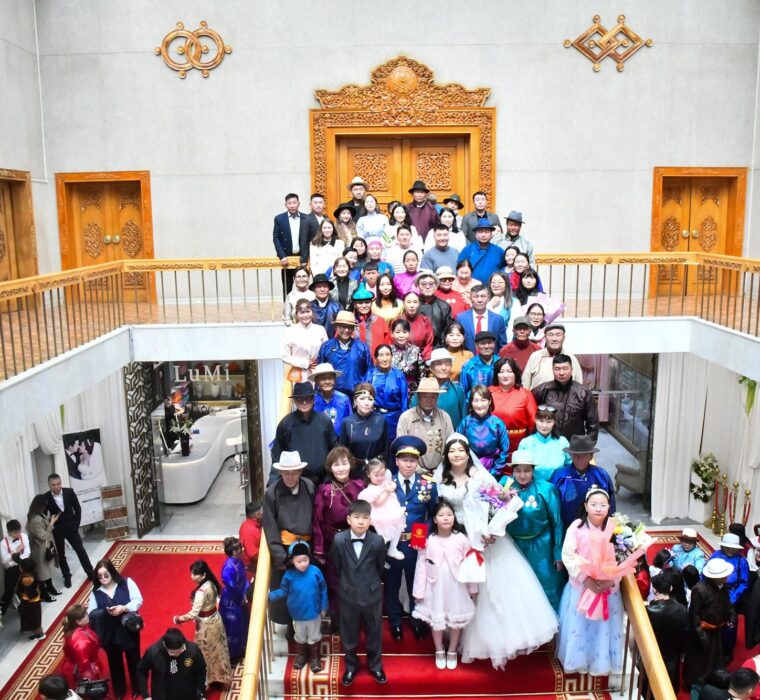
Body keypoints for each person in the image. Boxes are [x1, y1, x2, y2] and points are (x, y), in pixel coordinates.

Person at [436, 433, 558, 669]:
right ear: (446, 455)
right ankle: (457, 637)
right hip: (457, 537)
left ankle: (497, 639)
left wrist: (494, 529)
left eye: (461, 450)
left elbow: (499, 502)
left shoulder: (479, 475)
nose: (457, 454)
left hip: (484, 537)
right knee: (462, 587)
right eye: (452, 451)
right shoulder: (441, 479)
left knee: (493, 587)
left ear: (468, 453)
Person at [556, 487, 632, 677]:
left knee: (603, 629)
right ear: (585, 506)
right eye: (594, 504)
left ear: (609, 507)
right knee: (580, 627)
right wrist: (586, 579)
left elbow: (623, 557)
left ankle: (600, 662)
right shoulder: (576, 527)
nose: (598, 509)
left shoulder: (617, 529)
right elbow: (568, 556)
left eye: (603, 505)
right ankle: (579, 661)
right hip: (581, 587)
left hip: (607, 589)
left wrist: (611, 580)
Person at [382, 436, 438, 641]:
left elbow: (434, 514)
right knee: (392, 584)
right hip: (392, 544)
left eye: (412, 460)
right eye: (404, 460)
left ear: (418, 462)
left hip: (416, 543)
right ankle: (395, 622)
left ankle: (416, 620)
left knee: (417, 583)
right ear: (396, 461)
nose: (408, 464)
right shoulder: (387, 484)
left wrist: (423, 533)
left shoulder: (428, 485)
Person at [412, 499, 477, 670]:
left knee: (456, 618)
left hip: (457, 585)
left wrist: (473, 588)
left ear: (454, 518)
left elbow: (470, 564)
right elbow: (421, 565)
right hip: (435, 586)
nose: (446, 518)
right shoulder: (429, 539)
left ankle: (452, 650)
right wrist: (419, 591)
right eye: (441, 515)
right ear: (435, 519)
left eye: (449, 514)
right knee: (436, 617)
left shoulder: (462, 539)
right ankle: (439, 649)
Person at [330, 499, 388, 686]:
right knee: (348, 632)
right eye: (357, 517)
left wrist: (371, 584)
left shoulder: (377, 541)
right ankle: (351, 666)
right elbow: (336, 565)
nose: (361, 522)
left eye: (365, 518)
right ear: (349, 519)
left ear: (370, 520)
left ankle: (375, 665)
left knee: (374, 631)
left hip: (371, 594)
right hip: (348, 594)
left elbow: (380, 566)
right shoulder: (339, 540)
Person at [506, 451, 565, 610]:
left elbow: (557, 522)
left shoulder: (545, 489)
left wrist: (558, 552)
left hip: (541, 544)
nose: (522, 475)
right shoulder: (506, 486)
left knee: (547, 583)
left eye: (527, 470)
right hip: (514, 545)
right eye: (518, 470)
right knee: (517, 584)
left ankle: (553, 620)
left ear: (533, 470)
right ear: (512, 471)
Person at [262, 451, 315, 625]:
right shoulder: (272, 492)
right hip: (285, 549)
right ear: (280, 472)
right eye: (286, 473)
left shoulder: (309, 486)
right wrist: (281, 557)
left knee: (307, 588)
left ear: (300, 471)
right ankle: (289, 628)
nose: (290, 477)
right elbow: (270, 526)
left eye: (294, 473)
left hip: (307, 546)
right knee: (286, 589)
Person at [311, 446, 363, 621]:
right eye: (336, 464)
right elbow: (317, 520)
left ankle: (355, 618)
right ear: (330, 467)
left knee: (355, 580)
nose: (341, 468)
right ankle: (337, 620)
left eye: (344, 463)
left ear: (351, 464)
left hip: (356, 539)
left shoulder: (360, 486)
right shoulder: (325, 490)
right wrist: (319, 549)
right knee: (335, 582)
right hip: (332, 542)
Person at [269, 540, 327, 673]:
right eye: (299, 561)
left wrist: (324, 606)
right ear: (292, 561)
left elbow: (323, 589)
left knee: (314, 635)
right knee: (300, 636)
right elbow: (283, 591)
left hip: (314, 612)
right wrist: (270, 596)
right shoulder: (289, 575)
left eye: (305, 560)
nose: (303, 564)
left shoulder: (315, 571)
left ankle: (315, 658)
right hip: (297, 613)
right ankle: (301, 656)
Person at [89, 558, 144, 699]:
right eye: (99, 576)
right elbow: (91, 613)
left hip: (128, 629)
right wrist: (104, 613)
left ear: (112, 572)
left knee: (134, 659)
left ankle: (137, 687)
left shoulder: (126, 583)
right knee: (114, 663)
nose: (103, 578)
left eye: (105, 575)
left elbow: (138, 600)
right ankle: (119, 690)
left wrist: (124, 608)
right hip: (110, 632)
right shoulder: (96, 592)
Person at [173, 560, 231, 687]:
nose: (192, 576)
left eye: (195, 574)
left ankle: (205, 682)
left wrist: (179, 619)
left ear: (203, 575)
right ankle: (219, 677)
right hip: (216, 619)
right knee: (218, 650)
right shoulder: (211, 583)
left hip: (205, 626)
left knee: (204, 654)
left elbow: (194, 613)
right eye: (192, 573)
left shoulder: (201, 592)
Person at [683, 558, 737, 688]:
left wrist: (732, 617)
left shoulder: (723, 587)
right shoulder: (699, 589)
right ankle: (694, 684)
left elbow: (728, 604)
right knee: (698, 661)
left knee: (714, 659)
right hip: (702, 632)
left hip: (717, 631)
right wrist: (701, 636)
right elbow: (694, 614)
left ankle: (712, 681)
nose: (727, 577)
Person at [271, 382, 337, 483]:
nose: (304, 402)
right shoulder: (285, 423)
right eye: (300, 399)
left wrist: (333, 476)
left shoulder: (325, 421)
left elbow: (334, 450)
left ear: (314, 399)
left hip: (323, 479)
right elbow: (277, 454)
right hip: (295, 481)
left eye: (308, 398)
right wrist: (273, 482)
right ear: (294, 401)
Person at [550, 435, 615, 529]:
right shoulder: (560, 475)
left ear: (591, 456)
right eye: (576, 456)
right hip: (565, 526)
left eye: (584, 456)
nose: (580, 460)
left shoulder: (601, 475)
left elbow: (610, 503)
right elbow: (551, 503)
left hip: (595, 527)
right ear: (571, 456)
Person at [532, 354, 599, 444]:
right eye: (557, 369)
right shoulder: (542, 390)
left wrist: (588, 446)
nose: (561, 373)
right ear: (552, 370)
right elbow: (529, 415)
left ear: (572, 369)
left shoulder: (583, 393)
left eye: (565, 368)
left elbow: (593, 424)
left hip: (574, 445)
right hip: (547, 443)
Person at [45, 473, 94, 588]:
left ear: (61, 483)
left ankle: (90, 572)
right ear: (49, 485)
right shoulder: (46, 497)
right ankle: (66, 575)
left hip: (71, 528)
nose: (57, 487)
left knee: (80, 550)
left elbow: (77, 508)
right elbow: (44, 515)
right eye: (53, 485)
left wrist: (76, 524)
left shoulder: (69, 492)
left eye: (58, 484)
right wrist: (50, 523)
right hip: (57, 530)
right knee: (61, 554)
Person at [707, 532, 750, 663]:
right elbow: (706, 574)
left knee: (729, 625)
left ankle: (727, 650)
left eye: (733, 548)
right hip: (714, 592)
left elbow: (744, 583)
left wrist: (732, 598)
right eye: (727, 547)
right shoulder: (716, 555)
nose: (730, 550)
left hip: (732, 595)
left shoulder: (742, 561)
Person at [397, 378, 454, 473]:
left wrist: (441, 469)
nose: (429, 400)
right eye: (425, 396)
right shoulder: (406, 418)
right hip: (413, 472)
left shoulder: (445, 417)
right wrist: (418, 470)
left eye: (433, 396)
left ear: (438, 397)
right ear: (418, 396)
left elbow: (451, 446)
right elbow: (402, 449)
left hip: (440, 472)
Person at [136, 628, 206, 700]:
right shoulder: (154, 652)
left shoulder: (193, 650)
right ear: (165, 646)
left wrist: (200, 693)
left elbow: (201, 671)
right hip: (162, 694)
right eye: (173, 653)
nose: (177, 654)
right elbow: (141, 671)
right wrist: (146, 695)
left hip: (188, 693)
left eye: (181, 650)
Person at [455, 384, 510, 477]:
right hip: (469, 469)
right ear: (471, 403)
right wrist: (467, 469)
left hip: (492, 468)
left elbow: (504, 451)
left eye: (483, 400)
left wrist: (493, 473)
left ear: (489, 401)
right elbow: (456, 445)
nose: (479, 405)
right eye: (476, 400)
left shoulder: (498, 424)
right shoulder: (465, 423)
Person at [279, 298, 327, 403]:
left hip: (317, 372)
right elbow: (284, 355)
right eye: (301, 312)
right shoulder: (290, 331)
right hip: (298, 373)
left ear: (312, 312)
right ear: (296, 315)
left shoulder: (320, 330)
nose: (305, 315)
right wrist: (304, 364)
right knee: (301, 402)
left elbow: (326, 351)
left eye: (308, 311)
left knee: (318, 401)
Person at [647, 573, 689, 693]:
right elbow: (686, 633)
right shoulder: (682, 609)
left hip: (653, 653)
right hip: (673, 654)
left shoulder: (649, 611)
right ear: (670, 588)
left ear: (654, 590)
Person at [358, 458, 407, 560]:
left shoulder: (386, 478)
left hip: (392, 509)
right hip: (379, 513)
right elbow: (379, 502)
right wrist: (387, 490)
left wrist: (392, 485)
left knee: (398, 527)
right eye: (376, 475)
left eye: (382, 474)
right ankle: (380, 557)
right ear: (368, 474)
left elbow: (390, 478)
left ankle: (392, 549)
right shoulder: (371, 490)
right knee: (383, 536)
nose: (380, 478)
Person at [489, 357, 537, 461]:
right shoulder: (489, 393)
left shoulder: (525, 394)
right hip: (492, 443)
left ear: (515, 374)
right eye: (501, 371)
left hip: (519, 445)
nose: (505, 375)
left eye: (509, 371)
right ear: (496, 375)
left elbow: (533, 424)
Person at [317, 310, 372, 398]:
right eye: (343, 326)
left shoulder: (362, 347)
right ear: (336, 327)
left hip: (357, 395)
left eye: (350, 327)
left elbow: (369, 371)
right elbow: (319, 372)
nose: (346, 330)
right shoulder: (326, 347)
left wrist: (365, 392)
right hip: (331, 396)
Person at [411, 348, 466, 429]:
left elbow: (464, 419)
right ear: (431, 368)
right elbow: (413, 417)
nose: (443, 368)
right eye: (439, 364)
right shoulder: (422, 390)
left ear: (451, 366)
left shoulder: (458, 391)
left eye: (447, 364)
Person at [61, 604, 108, 694]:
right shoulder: (81, 641)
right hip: (83, 669)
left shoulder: (74, 627)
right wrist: (88, 676)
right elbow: (83, 663)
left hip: (71, 664)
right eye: (85, 615)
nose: (88, 616)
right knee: (90, 692)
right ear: (78, 621)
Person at [517, 404, 571, 481]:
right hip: (533, 486)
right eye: (541, 421)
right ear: (535, 420)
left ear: (554, 422)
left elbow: (570, 465)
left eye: (549, 422)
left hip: (558, 485)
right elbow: (519, 469)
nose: (544, 425)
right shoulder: (525, 443)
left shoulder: (562, 442)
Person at [339, 383, 388, 465]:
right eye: (362, 399)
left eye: (370, 399)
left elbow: (386, 450)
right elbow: (342, 452)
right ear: (355, 401)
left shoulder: (381, 421)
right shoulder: (347, 422)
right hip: (354, 468)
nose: (366, 403)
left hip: (376, 468)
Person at [366, 344, 408, 441]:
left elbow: (404, 400)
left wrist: (404, 421)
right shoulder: (370, 375)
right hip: (374, 417)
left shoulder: (399, 375)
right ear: (376, 358)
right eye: (381, 355)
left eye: (388, 354)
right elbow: (365, 397)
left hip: (394, 418)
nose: (385, 359)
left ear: (392, 356)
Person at [522, 324, 583, 390]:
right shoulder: (535, 356)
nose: (554, 339)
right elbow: (525, 385)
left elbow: (579, 387)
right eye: (551, 335)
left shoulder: (571, 358)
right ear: (545, 338)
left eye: (558, 335)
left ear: (564, 338)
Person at [219, 537, 250, 664]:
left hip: (240, 596)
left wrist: (246, 592)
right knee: (232, 628)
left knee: (242, 623)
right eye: (239, 549)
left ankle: (241, 647)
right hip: (231, 601)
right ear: (234, 551)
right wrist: (241, 598)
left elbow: (244, 579)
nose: (242, 550)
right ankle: (232, 655)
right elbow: (232, 586)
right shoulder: (229, 567)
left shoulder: (238, 561)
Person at [272, 193, 310, 294]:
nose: (292, 205)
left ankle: (304, 304)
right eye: (289, 203)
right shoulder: (279, 219)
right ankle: (287, 304)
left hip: (302, 257)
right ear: (286, 205)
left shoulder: (306, 218)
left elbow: (309, 239)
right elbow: (276, 238)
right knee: (287, 286)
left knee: (304, 284)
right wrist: (282, 256)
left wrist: (305, 257)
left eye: (294, 203)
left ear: (298, 204)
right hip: (286, 258)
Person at [25, 496, 61, 601]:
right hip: (40, 549)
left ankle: (50, 588)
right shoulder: (34, 520)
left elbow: (43, 528)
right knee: (42, 572)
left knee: (47, 569)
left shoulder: (39, 514)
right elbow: (43, 536)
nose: (45, 507)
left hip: (45, 546)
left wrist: (49, 521)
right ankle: (44, 594)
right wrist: (51, 523)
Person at [455, 284, 507, 353]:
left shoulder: (498, 319)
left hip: (491, 358)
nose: (479, 300)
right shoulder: (461, 318)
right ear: (470, 298)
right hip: (467, 358)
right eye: (476, 297)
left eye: (483, 296)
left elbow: (502, 346)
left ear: (488, 298)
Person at [457, 218, 505, 284]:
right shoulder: (467, 250)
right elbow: (459, 269)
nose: (483, 235)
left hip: (493, 287)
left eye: (486, 232)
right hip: (471, 288)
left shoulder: (499, 251)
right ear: (475, 234)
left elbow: (504, 269)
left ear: (491, 234)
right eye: (480, 232)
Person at [1, 519, 33, 615]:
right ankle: (2, 611)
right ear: (9, 532)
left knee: (26, 588)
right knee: (9, 591)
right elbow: (4, 561)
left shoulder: (23, 536)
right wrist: (16, 551)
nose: (18, 534)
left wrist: (14, 560)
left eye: (19, 531)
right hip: (11, 570)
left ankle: (25, 609)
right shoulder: (3, 543)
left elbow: (27, 553)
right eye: (15, 533)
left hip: (24, 565)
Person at [311, 362, 352, 436]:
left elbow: (350, 424)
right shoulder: (312, 400)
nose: (327, 382)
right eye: (323, 379)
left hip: (340, 440)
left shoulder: (343, 399)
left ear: (335, 379)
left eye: (330, 378)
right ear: (317, 381)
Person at [351, 286, 392, 356]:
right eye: (360, 303)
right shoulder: (348, 320)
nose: (364, 305)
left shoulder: (380, 321)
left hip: (376, 360)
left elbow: (388, 343)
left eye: (367, 302)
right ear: (355, 305)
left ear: (371, 303)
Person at [415, 270, 453, 344]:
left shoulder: (444, 306)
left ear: (436, 286)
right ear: (418, 286)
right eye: (423, 284)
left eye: (431, 284)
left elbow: (448, 328)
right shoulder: (412, 304)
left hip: (439, 346)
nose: (427, 287)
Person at [459, 331, 498, 396]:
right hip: (475, 401)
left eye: (489, 343)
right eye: (483, 343)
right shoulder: (469, 366)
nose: (486, 346)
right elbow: (463, 391)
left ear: (494, 344)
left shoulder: (500, 364)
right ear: (476, 345)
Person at [390, 317, 424, 391]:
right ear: (392, 334)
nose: (401, 335)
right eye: (397, 332)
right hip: (392, 389)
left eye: (405, 332)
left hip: (411, 390)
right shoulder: (388, 351)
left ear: (409, 333)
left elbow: (421, 374)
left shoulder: (415, 350)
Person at [16, 558, 45, 640]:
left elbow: (27, 591)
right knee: (35, 617)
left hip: (29, 602)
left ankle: (39, 633)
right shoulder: (33, 573)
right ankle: (34, 630)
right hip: (35, 600)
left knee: (33, 618)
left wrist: (21, 593)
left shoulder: (26, 579)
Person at [400, 291, 434, 361]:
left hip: (422, 358)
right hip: (402, 358)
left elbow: (429, 343)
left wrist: (423, 359)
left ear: (419, 304)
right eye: (408, 302)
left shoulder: (426, 321)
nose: (412, 305)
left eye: (415, 302)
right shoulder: (398, 321)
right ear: (403, 303)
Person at [308, 273, 341, 339]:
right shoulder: (309, 307)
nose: (322, 289)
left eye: (325, 286)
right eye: (319, 287)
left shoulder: (337, 307)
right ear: (314, 289)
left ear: (329, 289)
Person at [239, 500, 262, 575]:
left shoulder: (248, 523)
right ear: (257, 514)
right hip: (253, 566)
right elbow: (253, 554)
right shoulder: (250, 531)